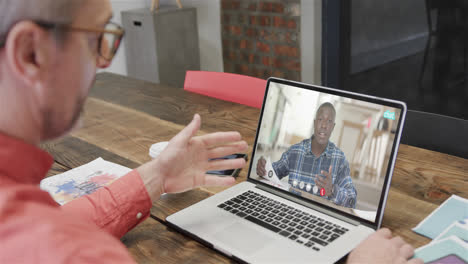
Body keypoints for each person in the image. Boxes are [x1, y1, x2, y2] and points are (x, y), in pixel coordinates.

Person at [0, 0, 421, 263]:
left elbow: (350, 201)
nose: (103, 62)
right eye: (97, 40)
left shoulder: (339, 160)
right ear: (30, 53)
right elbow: (273, 169)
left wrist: (157, 176)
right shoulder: (73, 251)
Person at [257, 102, 357, 208]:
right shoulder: (295, 151)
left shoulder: (340, 159)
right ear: (314, 122)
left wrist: (332, 189)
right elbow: (271, 173)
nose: (323, 125)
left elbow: (352, 200)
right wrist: (263, 169)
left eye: (329, 121)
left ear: (333, 127)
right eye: (320, 119)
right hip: (290, 212)